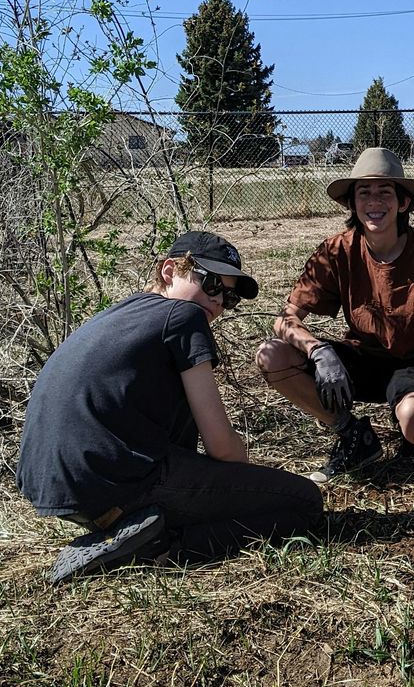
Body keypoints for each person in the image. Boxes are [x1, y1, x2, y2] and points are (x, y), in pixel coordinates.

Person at [18, 231, 323, 584]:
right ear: (169, 271)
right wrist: (242, 479)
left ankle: (129, 527)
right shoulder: (183, 317)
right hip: (115, 479)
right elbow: (222, 448)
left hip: (54, 487)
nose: (220, 302)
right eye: (211, 284)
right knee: (304, 501)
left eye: (229, 297)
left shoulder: (122, 313)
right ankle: (163, 547)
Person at [256, 148, 414, 483]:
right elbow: (284, 319)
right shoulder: (336, 251)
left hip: (413, 364)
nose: (374, 202)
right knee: (272, 354)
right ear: (352, 204)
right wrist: (318, 350)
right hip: (359, 359)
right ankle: (353, 436)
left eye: (384, 192)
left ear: (403, 203)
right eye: (363, 193)